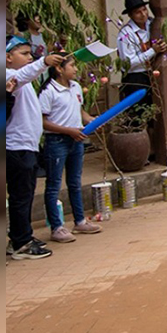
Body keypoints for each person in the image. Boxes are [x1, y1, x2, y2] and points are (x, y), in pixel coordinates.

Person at [6, 37, 66, 260]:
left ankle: (20, 237)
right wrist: (44, 62)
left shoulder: (24, 81)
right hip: (16, 146)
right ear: (7, 57)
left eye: (30, 53)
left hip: (27, 145)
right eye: (23, 53)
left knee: (25, 194)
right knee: (21, 195)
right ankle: (21, 242)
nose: (29, 57)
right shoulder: (9, 76)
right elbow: (23, 74)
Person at [38, 53, 103, 243]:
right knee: (53, 185)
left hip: (77, 140)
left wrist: (90, 120)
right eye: (72, 66)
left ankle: (80, 220)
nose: (76, 69)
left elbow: (79, 110)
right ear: (59, 69)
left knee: (75, 182)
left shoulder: (75, 87)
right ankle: (57, 227)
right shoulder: (48, 91)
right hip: (57, 142)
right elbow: (42, 121)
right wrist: (68, 131)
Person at [117, 0, 167, 128]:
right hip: (135, 77)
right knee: (137, 115)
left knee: (153, 114)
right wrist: (153, 51)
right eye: (138, 12)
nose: (143, 14)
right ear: (130, 15)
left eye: (144, 10)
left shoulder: (152, 24)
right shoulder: (126, 34)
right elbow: (128, 62)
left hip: (151, 74)